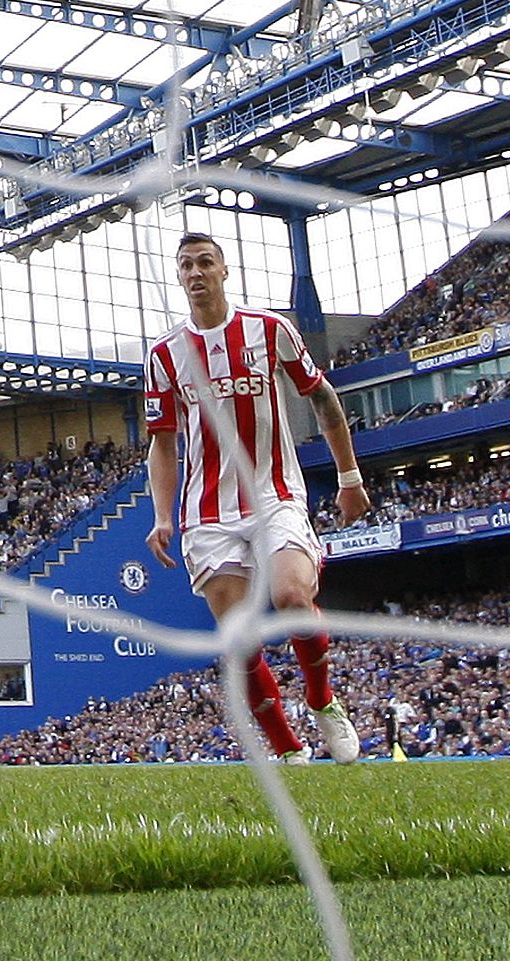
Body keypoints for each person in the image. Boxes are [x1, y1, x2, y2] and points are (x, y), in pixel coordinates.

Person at [144, 232, 368, 764]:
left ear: (224, 271)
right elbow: (162, 441)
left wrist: (349, 476)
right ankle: (288, 749)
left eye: (205, 262)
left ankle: (322, 700)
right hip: (208, 511)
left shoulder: (269, 330)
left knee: (292, 597)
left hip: (275, 493)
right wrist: (161, 515)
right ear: (178, 277)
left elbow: (321, 397)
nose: (196, 273)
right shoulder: (165, 355)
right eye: (186, 266)